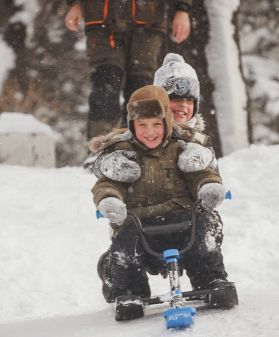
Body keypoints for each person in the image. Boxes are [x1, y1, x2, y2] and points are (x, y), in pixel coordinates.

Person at [90, 85, 230, 305]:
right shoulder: (122, 152)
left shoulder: (182, 146)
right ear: (131, 124)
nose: (150, 131)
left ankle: (211, 281)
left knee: (204, 235)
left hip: (183, 218)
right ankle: (128, 291)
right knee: (125, 251)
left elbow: (200, 173)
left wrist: (208, 186)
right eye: (142, 125)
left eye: (157, 124)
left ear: (167, 122)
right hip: (140, 224)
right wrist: (110, 199)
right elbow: (108, 183)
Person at [64, 0, 193, 140]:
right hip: (102, 21)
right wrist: (75, 3)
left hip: (148, 21)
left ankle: (135, 149)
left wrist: (182, 9)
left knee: (140, 93)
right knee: (105, 89)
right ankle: (100, 150)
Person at [91, 52, 217, 183]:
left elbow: (213, 173)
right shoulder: (143, 132)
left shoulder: (197, 139)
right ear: (160, 102)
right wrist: (112, 164)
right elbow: (98, 167)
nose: (183, 105)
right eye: (175, 100)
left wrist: (203, 157)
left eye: (189, 101)